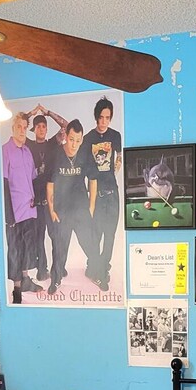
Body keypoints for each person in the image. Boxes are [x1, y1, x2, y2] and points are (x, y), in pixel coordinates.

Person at [46, 119, 99, 292]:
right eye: (71, 139)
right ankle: (56, 279)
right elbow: (50, 184)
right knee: (59, 247)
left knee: (90, 243)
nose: (74, 144)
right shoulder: (55, 154)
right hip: (62, 209)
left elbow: (93, 180)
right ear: (65, 137)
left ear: (82, 139)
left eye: (78, 140)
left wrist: (91, 207)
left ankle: (97, 274)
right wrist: (52, 210)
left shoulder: (85, 154)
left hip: (81, 207)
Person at [81, 97, 122, 290]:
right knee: (95, 233)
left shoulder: (115, 136)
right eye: (101, 117)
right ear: (96, 117)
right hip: (96, 192)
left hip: (112, 190)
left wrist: (118, 164)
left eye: (107, 117)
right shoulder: (88, 138)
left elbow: (119, 157)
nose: (104, 121)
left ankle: (103, 268)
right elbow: (84, 166)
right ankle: (94, 267)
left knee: (110, 234)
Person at [2, 113, 43, 305]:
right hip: (15, 211)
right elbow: (3, 181)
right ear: (12, 128)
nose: (22, 130)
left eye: (25, 127)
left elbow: (32, 176)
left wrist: (43, 170)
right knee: (15, 249)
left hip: (30, 207)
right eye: (18, 126)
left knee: (28, 247)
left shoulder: (27, 151)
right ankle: (17, 288)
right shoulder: (5, 150)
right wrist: (8, 213)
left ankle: (26, 280)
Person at [26, 105, 68, 283]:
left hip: (52, 199)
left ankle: (58, 267)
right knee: (39, 238)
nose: (41, 129)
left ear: (46, 128)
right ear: (33, 129)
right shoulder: (28, 145)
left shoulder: (53, 143)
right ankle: (42, 270)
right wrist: (31, 113)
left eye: (43, 126)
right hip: (36, 199)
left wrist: (48, 113)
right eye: (38, 126)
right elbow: (18, 125)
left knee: (56, 235)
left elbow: (66, 125)